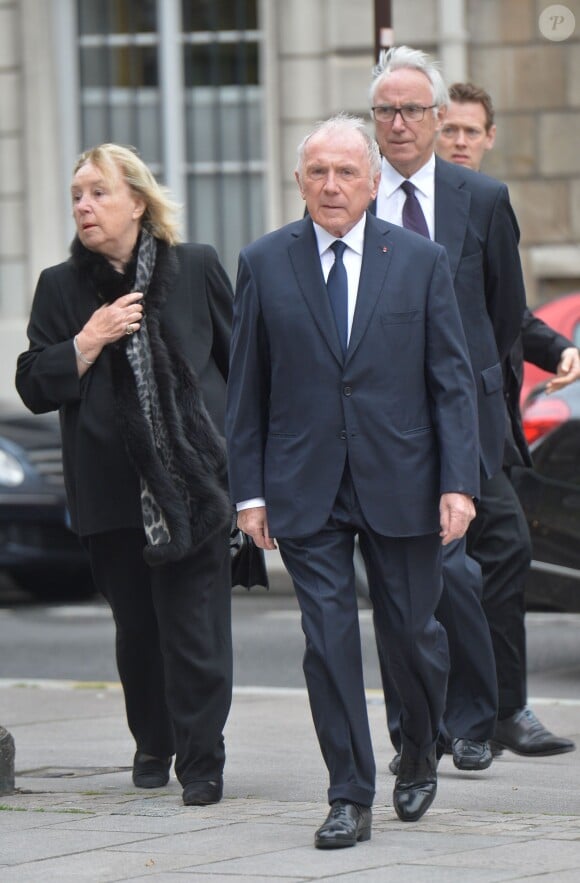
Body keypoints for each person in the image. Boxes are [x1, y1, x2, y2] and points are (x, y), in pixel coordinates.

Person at [226, 114, 480, 843]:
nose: (331, 185)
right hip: (305, 483)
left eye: (345, 172)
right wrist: (249, 492)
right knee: (327, 637)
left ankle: (420, 746)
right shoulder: (266, 260)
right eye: (317, 172)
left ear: (373, 182)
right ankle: (348, 792)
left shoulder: (422, 260)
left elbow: (452, 383)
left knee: (413, 634)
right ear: (300, 181)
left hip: (404, 478)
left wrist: (457, 483)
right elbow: (248, 389)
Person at [15, 143, 235, 807]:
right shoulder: (61, 285)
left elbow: (246, 362)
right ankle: (153, 740)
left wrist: (251, 473)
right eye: (77, 194)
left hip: (194, 486)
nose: (84, 205)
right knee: (139, 631)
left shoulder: (195, 268)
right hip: (111, 494)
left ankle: (203, 761)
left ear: (137, 200)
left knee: (195, 629)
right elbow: (31, 383)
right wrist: (88, 341)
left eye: (98, 191)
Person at [369, 45, 527, 775]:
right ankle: (415, 726)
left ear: (438, 118)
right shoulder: (352, 192)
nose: (399, 123)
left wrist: (485, 407)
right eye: (385, 111)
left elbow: (504, 318)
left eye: (412, 110)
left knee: (463, 571)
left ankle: (471, 719)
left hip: (464, 416)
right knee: (405, 582)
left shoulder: (482, 200)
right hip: (383, 423)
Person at [437, 82, 578, 757]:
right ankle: (459, 716)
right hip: (415, 423)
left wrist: (559, 346)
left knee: (503, 550)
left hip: (481, 424)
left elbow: (508, 312)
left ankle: (500, 710)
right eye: (450, 129)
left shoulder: (486, 206)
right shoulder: (403, 206)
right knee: (440, 570)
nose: (460, 141)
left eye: (472, 130)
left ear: (489, 137)